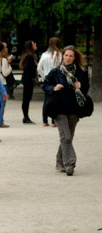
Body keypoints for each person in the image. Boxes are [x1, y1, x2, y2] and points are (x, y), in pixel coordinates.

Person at [41, 46, 89, 176]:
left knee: (68, 138)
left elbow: (86, 88)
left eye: (71, 56)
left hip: (74, 109)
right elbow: (45, 85)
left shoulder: (80, 73)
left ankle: (59, 161)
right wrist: (54, 87)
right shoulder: (55, 72)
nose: (68, 58)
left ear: (75, 58)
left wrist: (81, 86)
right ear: (63, 56)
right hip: (59, 109)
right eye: (66, 55)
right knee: (66, 137)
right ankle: (70, 163)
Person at [37, 37, 62, 127]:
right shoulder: (59, 55)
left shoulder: (44, 55)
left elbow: (39, 68)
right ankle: (53, 121)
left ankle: (44, 120)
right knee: (55, 101)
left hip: (47, 79)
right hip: (56, 80)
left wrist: (44, 76)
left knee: (46, 100)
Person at [20, 40, 38, 124]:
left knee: (27, 98)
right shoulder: (30, 56)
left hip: (28, 79)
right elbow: (28, 69)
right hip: (28, 80)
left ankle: (26, 116)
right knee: (26, 98)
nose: (35, 45)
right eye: (34, 44)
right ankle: (25, 117)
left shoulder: (30, 55)